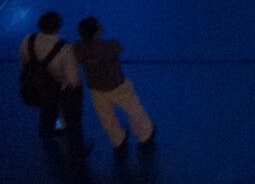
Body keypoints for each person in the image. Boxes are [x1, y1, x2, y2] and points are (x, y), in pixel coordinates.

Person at [74, 16, 155, 154]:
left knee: (106, 116)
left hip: (96, 88)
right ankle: (145, 133)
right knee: (134, 109)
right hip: (118, 85)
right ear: (97, 32)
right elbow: (119, 48)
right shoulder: (111, 46)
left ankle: (118, 139)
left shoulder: (77, 48)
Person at [19, 10, 89, 160]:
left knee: (46, 110)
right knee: (73, 118)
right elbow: (72, 79)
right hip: (56, 90)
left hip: (35, 88)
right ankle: (77, 151)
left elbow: (25, 61)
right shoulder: (64, 48)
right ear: (58, 27)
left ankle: (47, 134)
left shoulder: (28, 40)